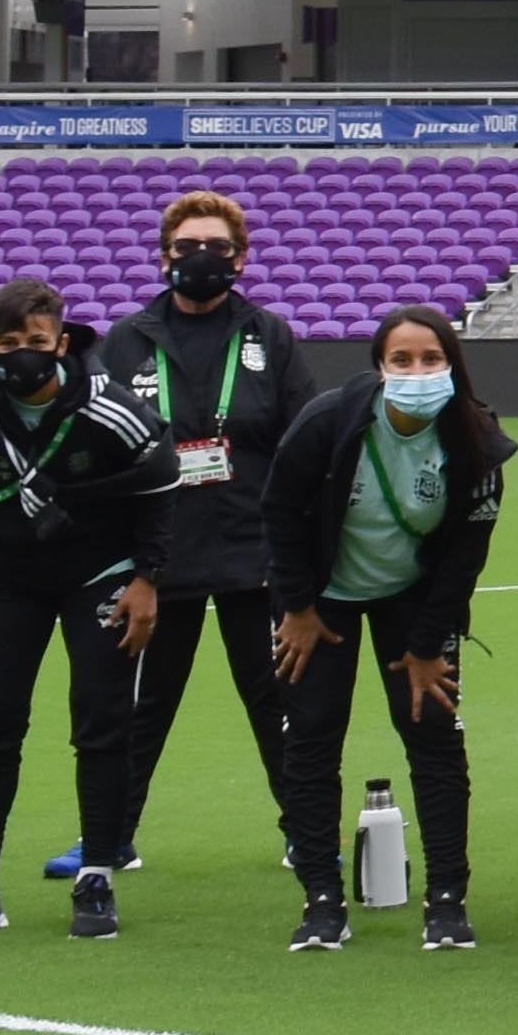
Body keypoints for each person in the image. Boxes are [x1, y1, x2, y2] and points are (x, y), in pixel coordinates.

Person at [0, 278, 180, 943]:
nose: (22, 356)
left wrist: (147, 579)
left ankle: (96, 875)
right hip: (5, 580)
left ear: (62, 343)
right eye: (8, 345)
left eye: (36, 343)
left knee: (102, 724)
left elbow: (160, 487)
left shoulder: (110, 408)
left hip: (101, 576)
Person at [259, 306, 508, 951]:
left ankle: (447, 901)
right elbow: (279, 514)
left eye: (431, 360)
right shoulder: (327, 422)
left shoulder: (477, 440)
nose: (418, 372)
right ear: (379, 367)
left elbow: (463, 560)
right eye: (403, 361)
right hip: (320, 602)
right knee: (310, 741)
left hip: (415, 600)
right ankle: (321, 903)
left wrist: (427, 647)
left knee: (435, 736)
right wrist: (297, 609)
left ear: (452, 365)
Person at [83, 189, 311, 885]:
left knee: (276, 700)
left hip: (254, 552)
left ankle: (304, 831)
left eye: (216, 247)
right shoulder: (125, 341)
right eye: (186, 248)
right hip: (158, 556)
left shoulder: (270, 337)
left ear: (240, 259)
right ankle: (109, 838)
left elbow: (301, 445)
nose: (201, 259)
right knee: (141, 706)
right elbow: (98, 449)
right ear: (163, 257)